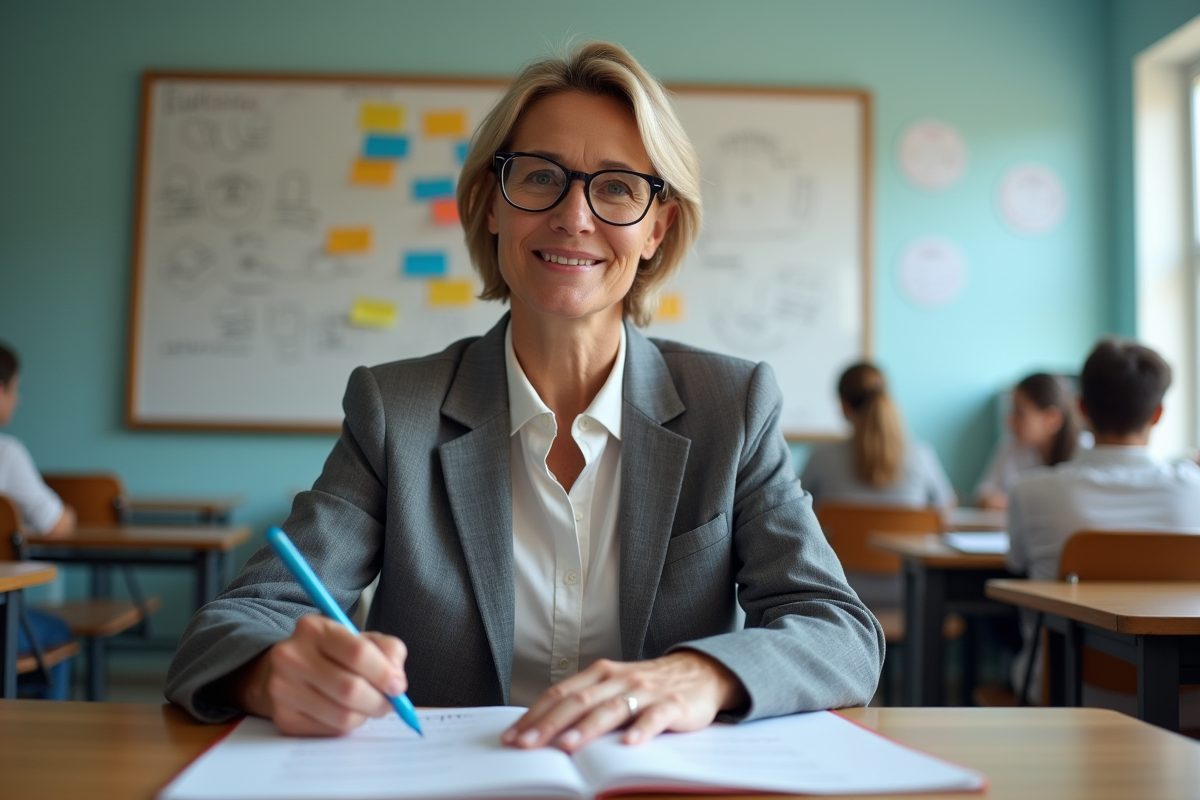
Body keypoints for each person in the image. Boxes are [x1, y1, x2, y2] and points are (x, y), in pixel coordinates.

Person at [165, 42, 883, 749]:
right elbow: (236, 623)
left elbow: (838, 632)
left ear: (657, 228)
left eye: (617, 187)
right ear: (489, 205)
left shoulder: (734, 404)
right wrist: (271, 673)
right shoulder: (396, 410)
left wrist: (699, 675)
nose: (574, 216)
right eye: (540, 177)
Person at [1007, 338, 1200, 707]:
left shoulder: (1030, 491)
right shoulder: (1195, 489)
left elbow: (1015, 565)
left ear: (1080, 409)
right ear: (1158, 413)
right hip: (1183, 702)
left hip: (1068, 694)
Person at [0, 341, 77, 699]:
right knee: (58, 630)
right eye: (15, 389)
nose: (18, 399)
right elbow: (56, 524)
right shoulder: (7, 453)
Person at [800, 363, 955, 510]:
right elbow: (945, 508)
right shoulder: (921, 456)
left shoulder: (821, 458)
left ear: (844, 405)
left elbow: (796, 509)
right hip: (906, 538)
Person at [975, 373, 1083, 511]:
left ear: (1052, 419)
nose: (1010, 421)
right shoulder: (1012, 447)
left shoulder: (1084, 451)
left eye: (1019, 413)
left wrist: (1022, 505)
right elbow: (983, 494)